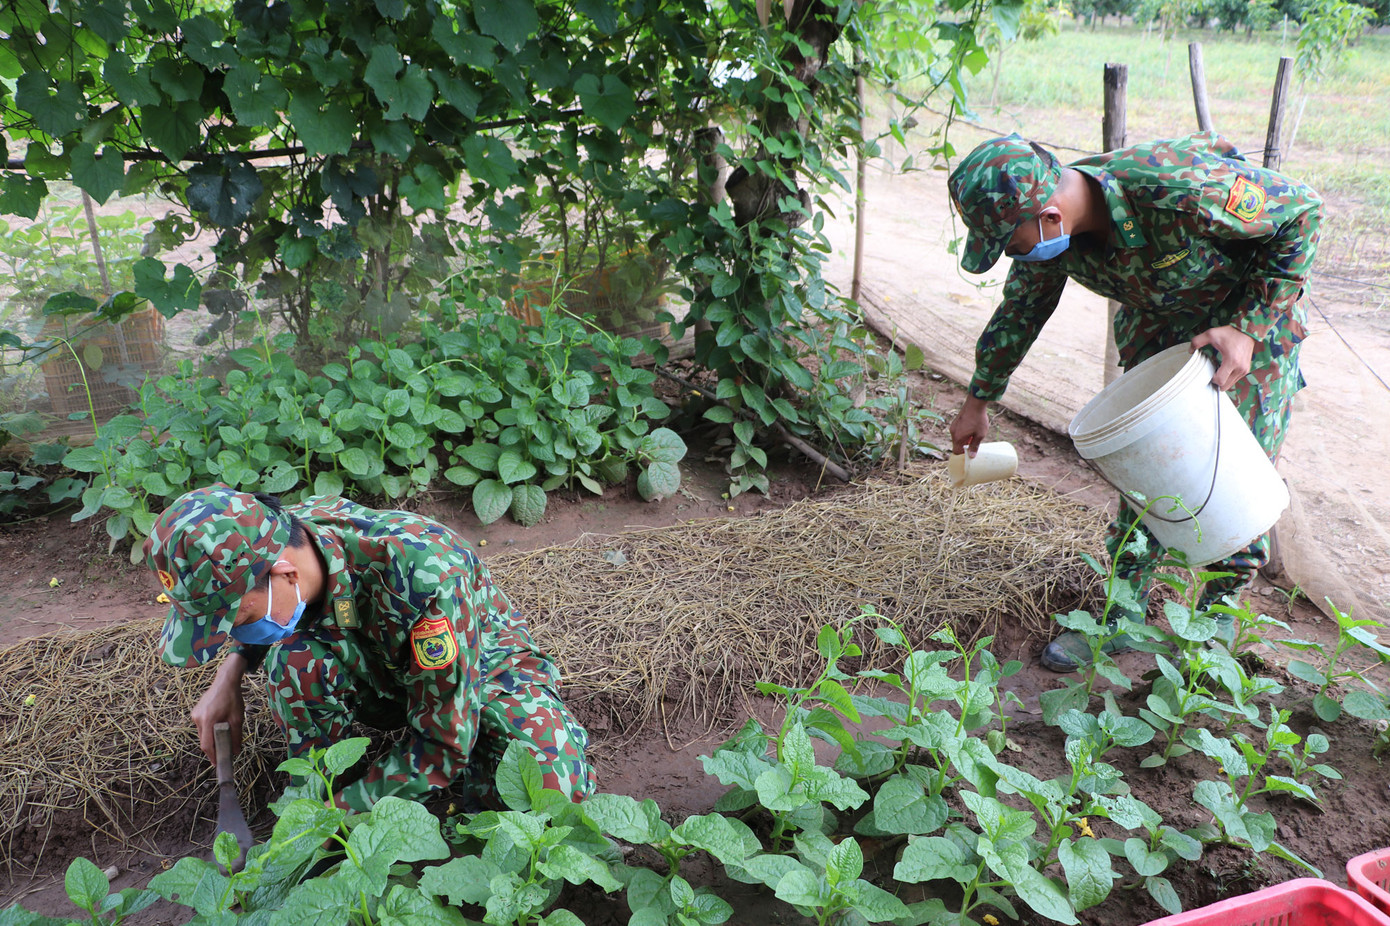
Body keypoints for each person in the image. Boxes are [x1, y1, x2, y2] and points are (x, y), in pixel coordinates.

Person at [946, 131, 1321, 672]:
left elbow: (1303, 211)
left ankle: (1213, 623)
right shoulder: (1054, 235)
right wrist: (978, 401)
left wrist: (1247, 326)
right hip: (1162, 331)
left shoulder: (1176, 189)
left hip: (1244, 335)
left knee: (1231, 478)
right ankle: (1122, 614)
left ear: (1050, 217)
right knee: (1145, 465)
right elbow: (1020, 312)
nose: (1014, 253)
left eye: (1012, 242)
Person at [145, 484, 595, 810]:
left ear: (286, 574)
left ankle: (371, 802)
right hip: (375, 657)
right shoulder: (278, 533)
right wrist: (232, 672)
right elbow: (275, 613)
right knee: (294, 659)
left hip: (480, 665)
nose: (235, 632)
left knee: (555, 790)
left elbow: (444, 743)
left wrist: (335, 819)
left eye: (237, 620)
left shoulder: (427, 579)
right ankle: (330, 778)